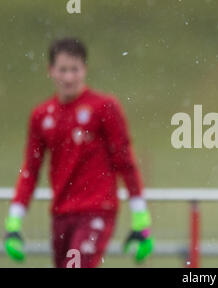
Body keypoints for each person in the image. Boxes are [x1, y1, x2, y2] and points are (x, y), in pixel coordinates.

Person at [3, 38, 154, 268]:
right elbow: (31, 170)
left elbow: (124, 162)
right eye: (63, 70)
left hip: (96, 210)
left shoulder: (103, 107)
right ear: (51, 71)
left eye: (75, 69)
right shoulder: (41, 115)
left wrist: (141, 218)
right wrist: (14, 222)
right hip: (61, 213)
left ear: (85, 69)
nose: (69, 77)